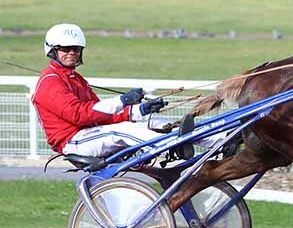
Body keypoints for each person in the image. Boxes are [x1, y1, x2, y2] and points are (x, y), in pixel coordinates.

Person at [31, 23, 209, 158]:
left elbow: (100, 115)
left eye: (76, 49)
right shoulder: (50, 83)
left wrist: (139, 111)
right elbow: (80, 115)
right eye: (65, 49)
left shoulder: (76, 79)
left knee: (155, 121)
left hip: (90, 133)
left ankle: (220, 140)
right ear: (53, 51)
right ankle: (174, 145)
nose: (71, 53)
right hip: (73, 141)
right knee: (123, 130)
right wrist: (122, 101)